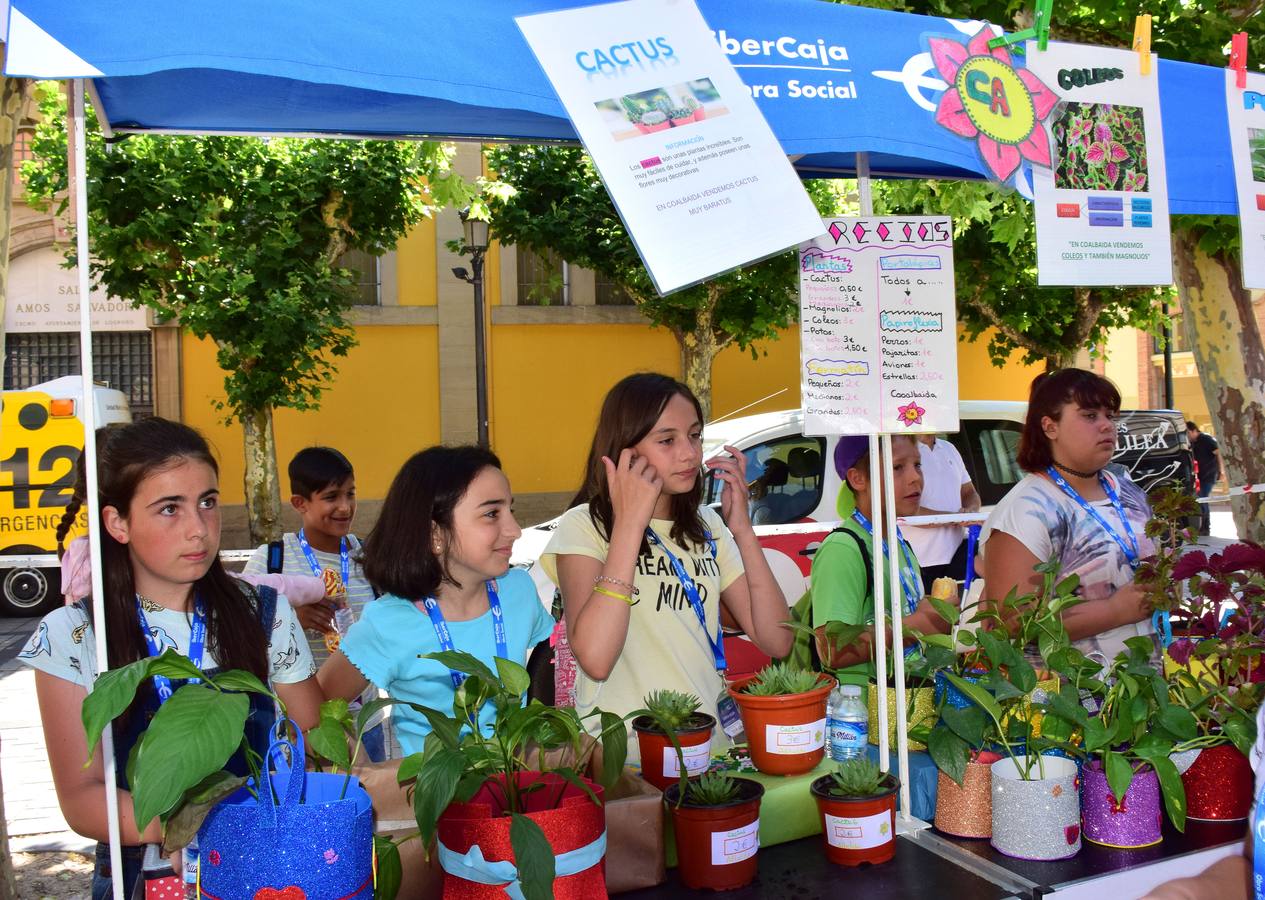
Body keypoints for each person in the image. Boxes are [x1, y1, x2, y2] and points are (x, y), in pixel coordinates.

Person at [17, 418, 321, 900]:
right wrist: (184, 825)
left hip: (266, 862)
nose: (198, 529)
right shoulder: (72, 635)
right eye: (168, 509)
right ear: (118, 522)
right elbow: (81, 798)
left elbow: (316, 733)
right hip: (141, 877)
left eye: (207, 502)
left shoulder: (263, 613)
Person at [541, 373, 792, 758]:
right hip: (628, 760)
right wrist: (629, 524)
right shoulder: (586, 525)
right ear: (626, 451)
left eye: (694, 435)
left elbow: (777, 639)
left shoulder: (708, 526)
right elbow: (595, 658)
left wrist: (741, 529)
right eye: (667, 440)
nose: (689, 454)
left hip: (709, 749)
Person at [317, 445, 553, 755]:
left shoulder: (518, 590)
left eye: (511, 510)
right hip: (435, 799)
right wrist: (361, 772)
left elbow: (546, 668)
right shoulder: (390, 622)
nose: (514, 530)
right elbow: (316, 709)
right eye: (492, 513)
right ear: (434, 535)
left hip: (517, 792)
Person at [981, 369, 1156, 664]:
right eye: (1090, 415)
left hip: (1144, 688)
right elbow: (1009, 621)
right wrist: (1115, 610)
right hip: (1065, 699)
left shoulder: (1126, 490)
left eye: (1109, 416)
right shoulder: (1027, 507)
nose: (1106, 426)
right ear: (1050, 427)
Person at [243, 446, 386, 761]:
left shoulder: (371, 557)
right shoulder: (273, 561)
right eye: (332, 497)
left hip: (366, 724)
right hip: (303, 728)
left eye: (350, 494)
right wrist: (290, 618)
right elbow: (240, 631)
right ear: (300, 503)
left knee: (372, 806)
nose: (345, 507)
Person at [802, 434, 956, 684]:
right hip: (868, 715)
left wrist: (934, 611)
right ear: (858, 479)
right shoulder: (843, 549)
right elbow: (831, 649)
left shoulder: (898, 544)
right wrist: (918, 625)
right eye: (897, 467)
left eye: (917, 465)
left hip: (910, 706)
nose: (915, 477)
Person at [903, 433, 981, 592]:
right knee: (926, 615)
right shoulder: (901, 450)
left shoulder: (949, 448)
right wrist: (953, 518)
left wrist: (971, 511)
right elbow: (904, 509)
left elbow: (969, 493)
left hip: (958, 556)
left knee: (959, 614)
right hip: (917, 561)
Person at [1186, 420, 1221, 537]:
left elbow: (1218, 452)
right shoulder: (1193, 443)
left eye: (1187, 432)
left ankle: (1205, 527)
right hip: (1198, 476)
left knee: (1203, 500)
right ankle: (1203, 527)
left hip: (1208, 475)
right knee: (1200, 500)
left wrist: (1221, 471)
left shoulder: (1206, 439)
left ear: (1193, 430)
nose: (1187, 435)